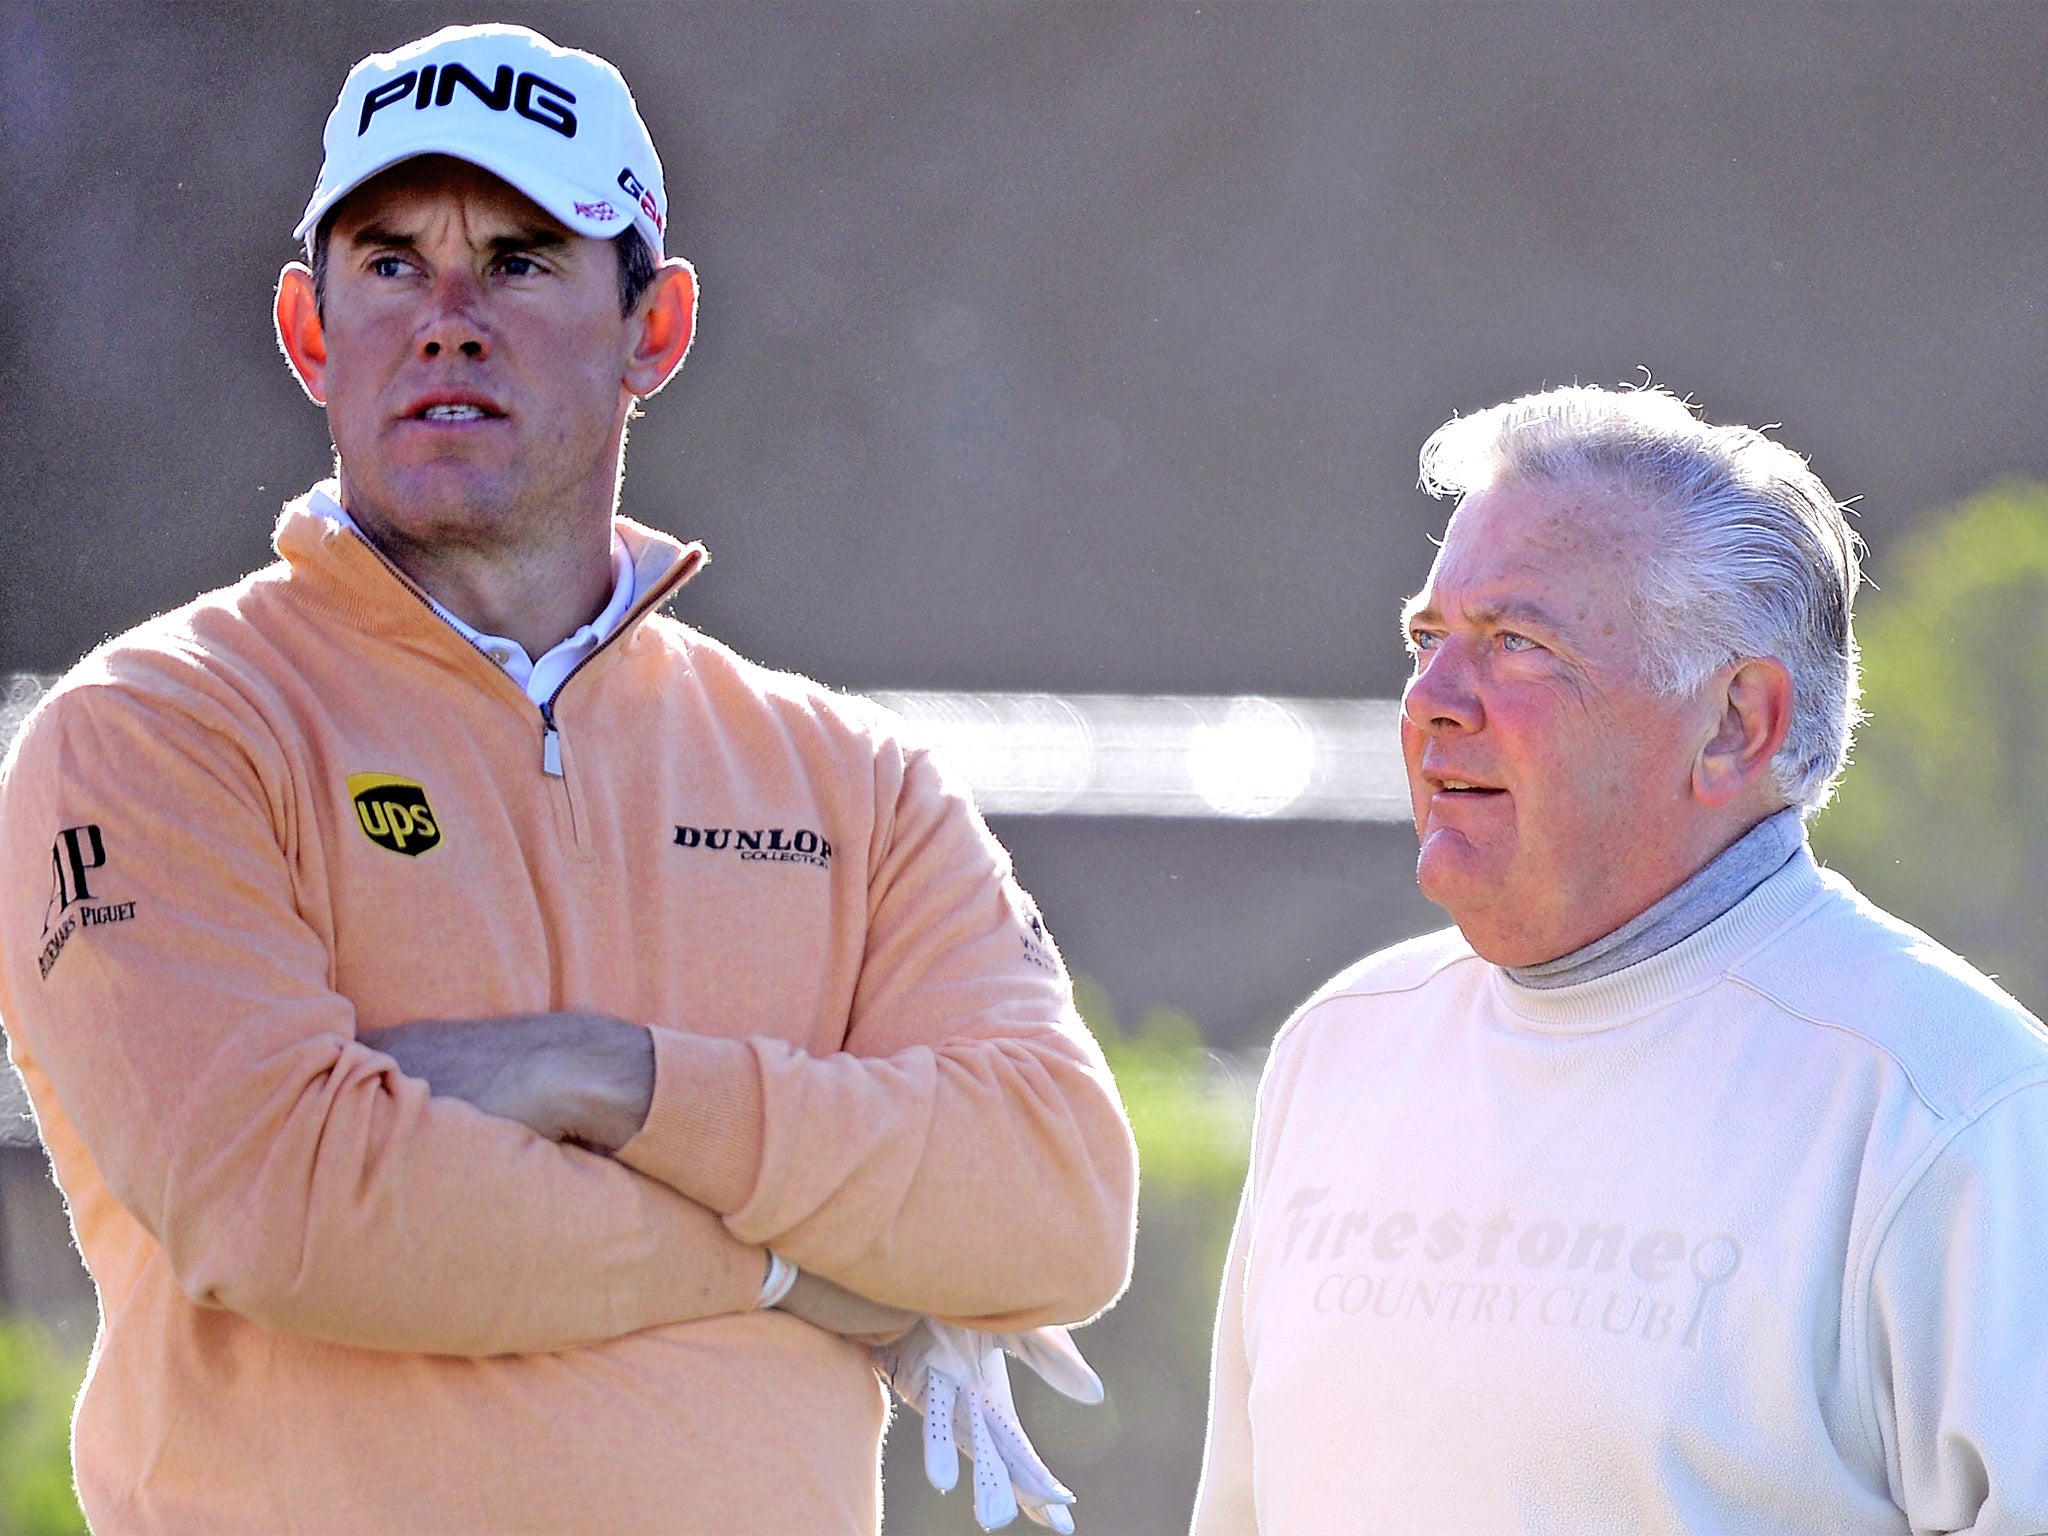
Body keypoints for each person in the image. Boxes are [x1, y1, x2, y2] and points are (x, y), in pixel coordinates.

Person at [0, 23, 1135, 1535]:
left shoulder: (849, 777)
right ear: (310, 329)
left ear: (652, 330)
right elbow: (295, 1207)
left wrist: (620, 1076)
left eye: (524, 261)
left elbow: (1055, 1201)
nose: (448, 319)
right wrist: (803, 1272)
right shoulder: (156, 731)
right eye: (391, 262)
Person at [1192, 384, 2048, 1534]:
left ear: (1735, 723)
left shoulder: (1951, 1106)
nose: (1430, 702)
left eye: (1516, 645)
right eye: (1427, 639)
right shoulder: (1339, 1049)